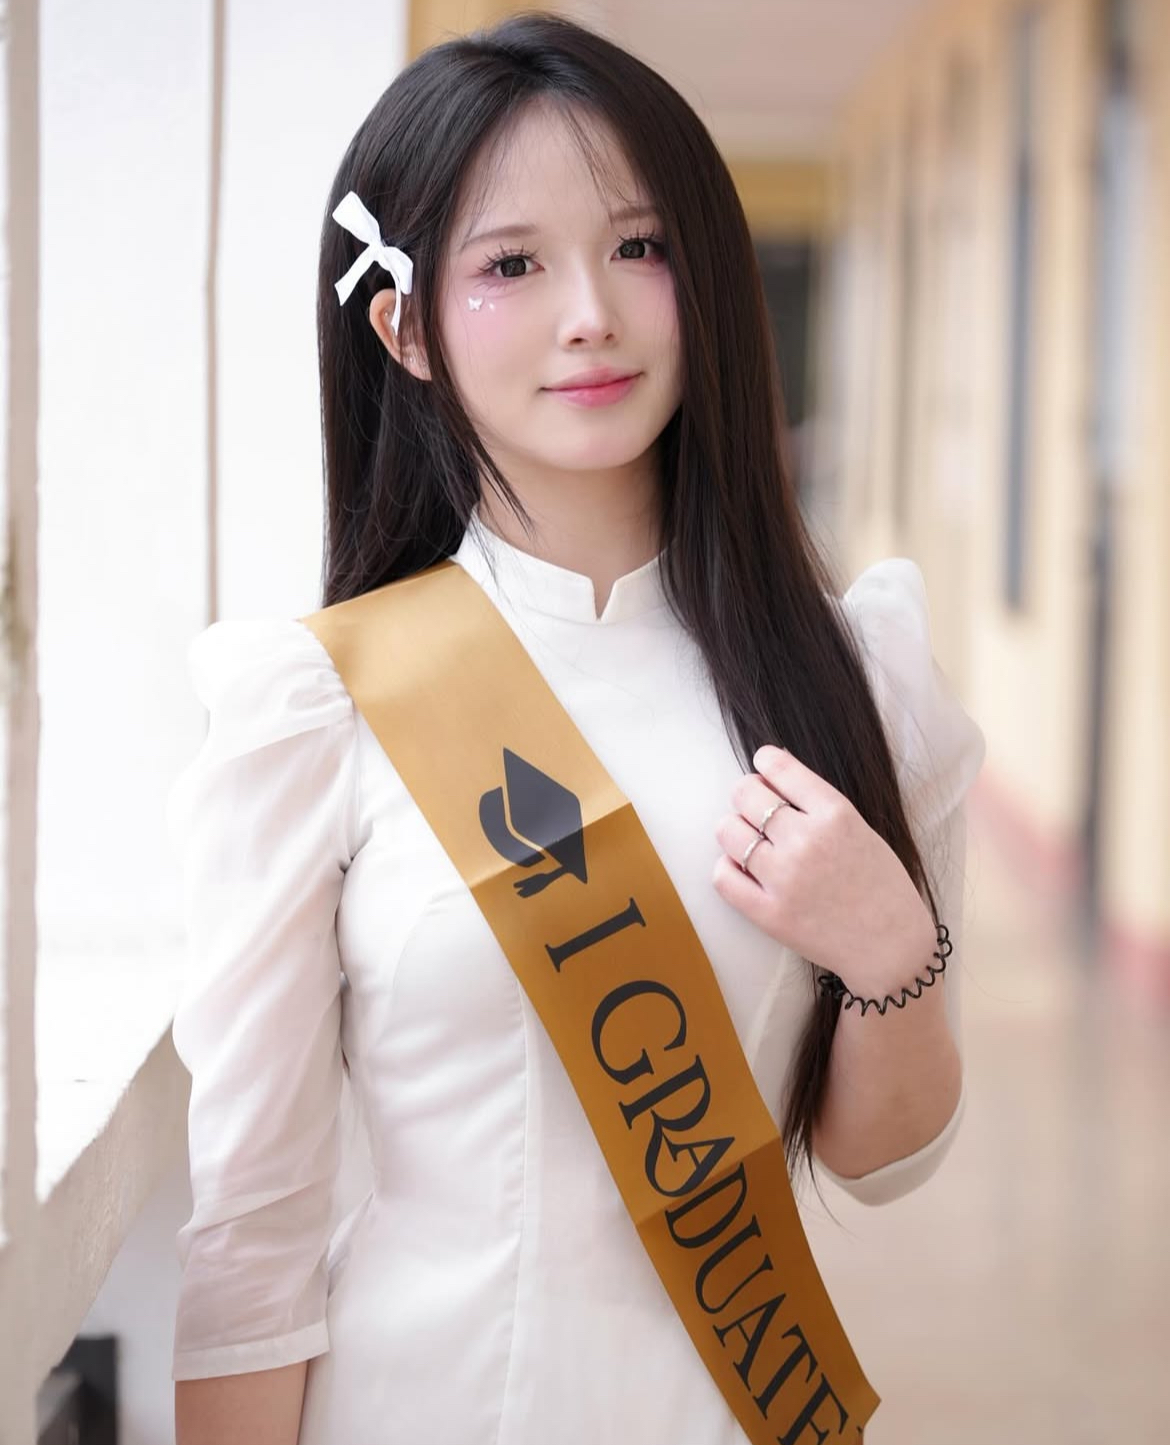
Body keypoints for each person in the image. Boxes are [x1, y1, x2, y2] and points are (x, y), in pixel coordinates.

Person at [168, 11, 986, 1444]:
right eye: (511, 265)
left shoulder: (850, 676)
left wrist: (889, 954)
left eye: (639, 246)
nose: (591, 314)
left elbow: (878, 1160)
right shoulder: (324, 704)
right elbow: (252, 1231)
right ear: (403, 327)